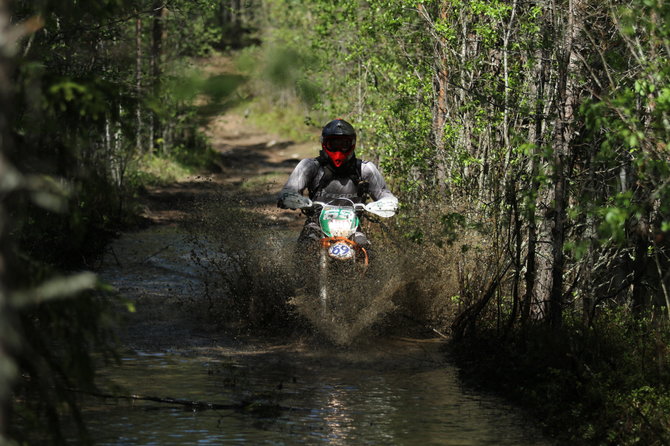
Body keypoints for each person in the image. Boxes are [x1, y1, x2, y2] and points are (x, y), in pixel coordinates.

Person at [277, 118, 398, 248]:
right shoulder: (310, 166)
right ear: (325, 143)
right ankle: (295, 269)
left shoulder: (365, 169)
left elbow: (384, 193)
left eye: (344, 144)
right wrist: (289, 196)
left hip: (353, 229)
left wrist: (390, 202)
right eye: (334, 143)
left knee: (366, 249)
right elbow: (290, 189)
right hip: (316, 225)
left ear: (352, 144)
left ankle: (376, 269)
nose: (339, 148)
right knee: (306, 245)